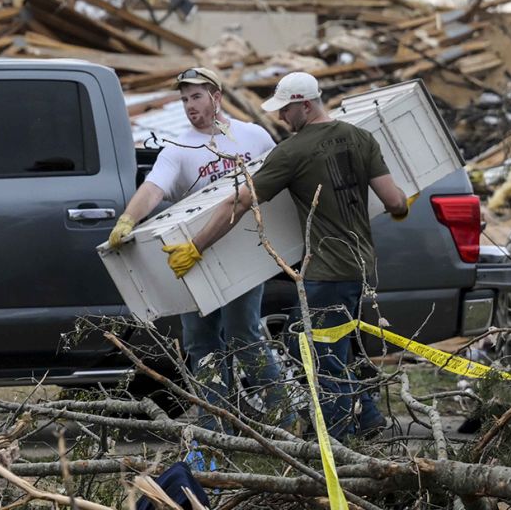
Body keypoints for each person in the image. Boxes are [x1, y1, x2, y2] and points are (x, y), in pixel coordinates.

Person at [162, 71, 410, 440]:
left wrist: (197, 245)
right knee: (326, 345)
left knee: (315, 353)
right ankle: (368, 415)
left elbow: (240, 201)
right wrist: (404, 206)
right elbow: (395, 201)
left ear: (305, 106)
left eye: (285, 109)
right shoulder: (361, 137)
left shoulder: (292, 151)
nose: (279, 118)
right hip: (363, 267)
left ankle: (341, 443)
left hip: (326, 271)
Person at [108, 67, 290, 428]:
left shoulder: (252, 137)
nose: (189, 106)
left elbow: (282, 177)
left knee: (244, 334)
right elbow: (154, 189)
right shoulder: (179, 148)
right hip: (194, 258)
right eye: (184, 99)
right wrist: (129, 218)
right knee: (201, 342)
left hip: (242, 254)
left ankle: (285, 417)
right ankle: (214, 427)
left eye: (196, 97)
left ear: (216, 96)